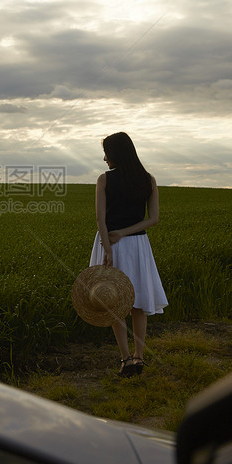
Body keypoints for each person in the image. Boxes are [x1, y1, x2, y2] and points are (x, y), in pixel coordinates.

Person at [90, 132, 168, 377]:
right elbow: (153, 220)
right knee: (138, 302)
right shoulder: (149, 180)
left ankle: (125, 360)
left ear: (116, 154)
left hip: (110, 244)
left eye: (107, 153)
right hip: (137, 246)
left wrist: (109, 245)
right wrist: (125, 233)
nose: (104, 159)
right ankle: (139, 358)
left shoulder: (104, 180)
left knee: (115, 302)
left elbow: (100, 218)